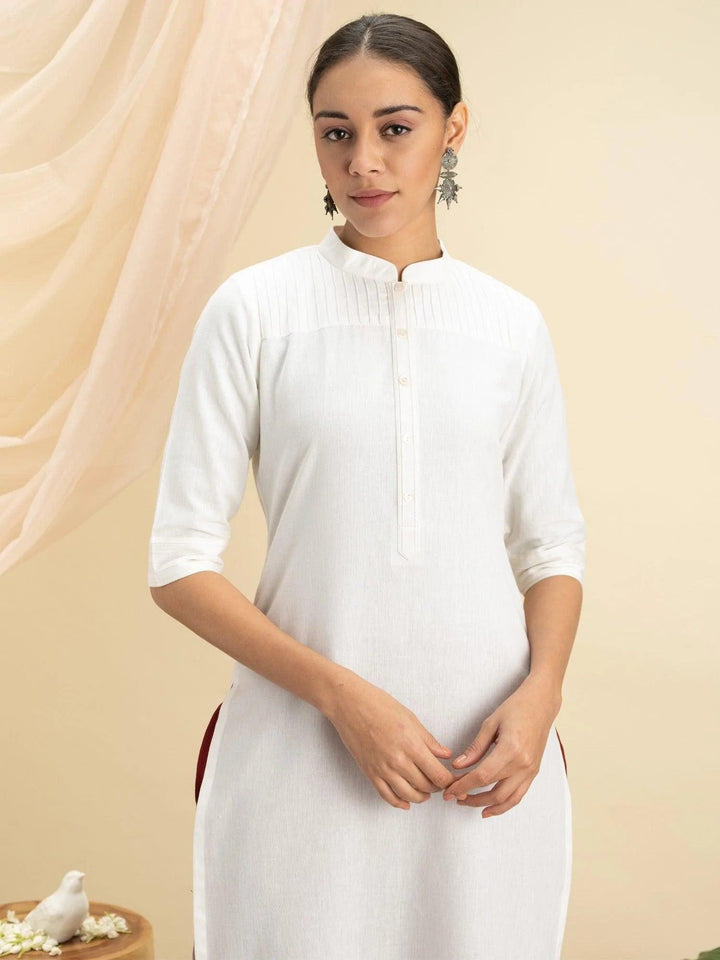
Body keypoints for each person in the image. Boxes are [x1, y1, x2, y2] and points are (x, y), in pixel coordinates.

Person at [148, 13, 586, 960]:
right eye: (335, 132)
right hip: (300, 755)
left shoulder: (509, 326)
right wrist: (344, 698)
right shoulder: (255, 312)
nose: (364, 162)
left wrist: (542, 695)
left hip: (486, 765)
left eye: (396, 127)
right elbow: (178, 564)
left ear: (453, 128)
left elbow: (551, 546)